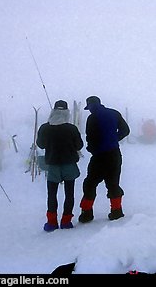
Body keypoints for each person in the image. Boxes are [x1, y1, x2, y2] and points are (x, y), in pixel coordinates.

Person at [78, 96, 131, 223]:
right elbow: (126, 130)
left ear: (90, 106)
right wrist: (114, 139)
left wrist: (92, 149)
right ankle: (116, 212)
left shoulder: (92, 118)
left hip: (99, 156)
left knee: (90, 183)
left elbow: (90, 138)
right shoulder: (114, 113)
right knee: (113, 183)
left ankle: (87, 213)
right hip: (114, 154)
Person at [36, 100, 84, 231]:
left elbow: (41, 144)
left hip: (53, 165)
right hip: (69, 164)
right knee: (69, 194)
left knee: (52, 194)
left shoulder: (45, 128)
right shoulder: (71, 128)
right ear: (67, 113)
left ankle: (51, 223)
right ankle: (66, 221)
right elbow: (79, 145)